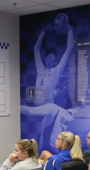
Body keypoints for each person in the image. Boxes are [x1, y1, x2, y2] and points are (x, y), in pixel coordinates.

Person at [20, 14, 75, 152]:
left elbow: (68, 49)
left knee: (47, 132)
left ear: (55, 61)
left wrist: (69, 30)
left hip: (48, 106)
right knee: (42, 133)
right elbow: (36, 50)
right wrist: (43, 32)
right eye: (49, 56)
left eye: (53, 56)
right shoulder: (41, 69)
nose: (50, 56)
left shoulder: (56, 70)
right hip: (39, 104)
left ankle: (49, 152)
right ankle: (41, 153)